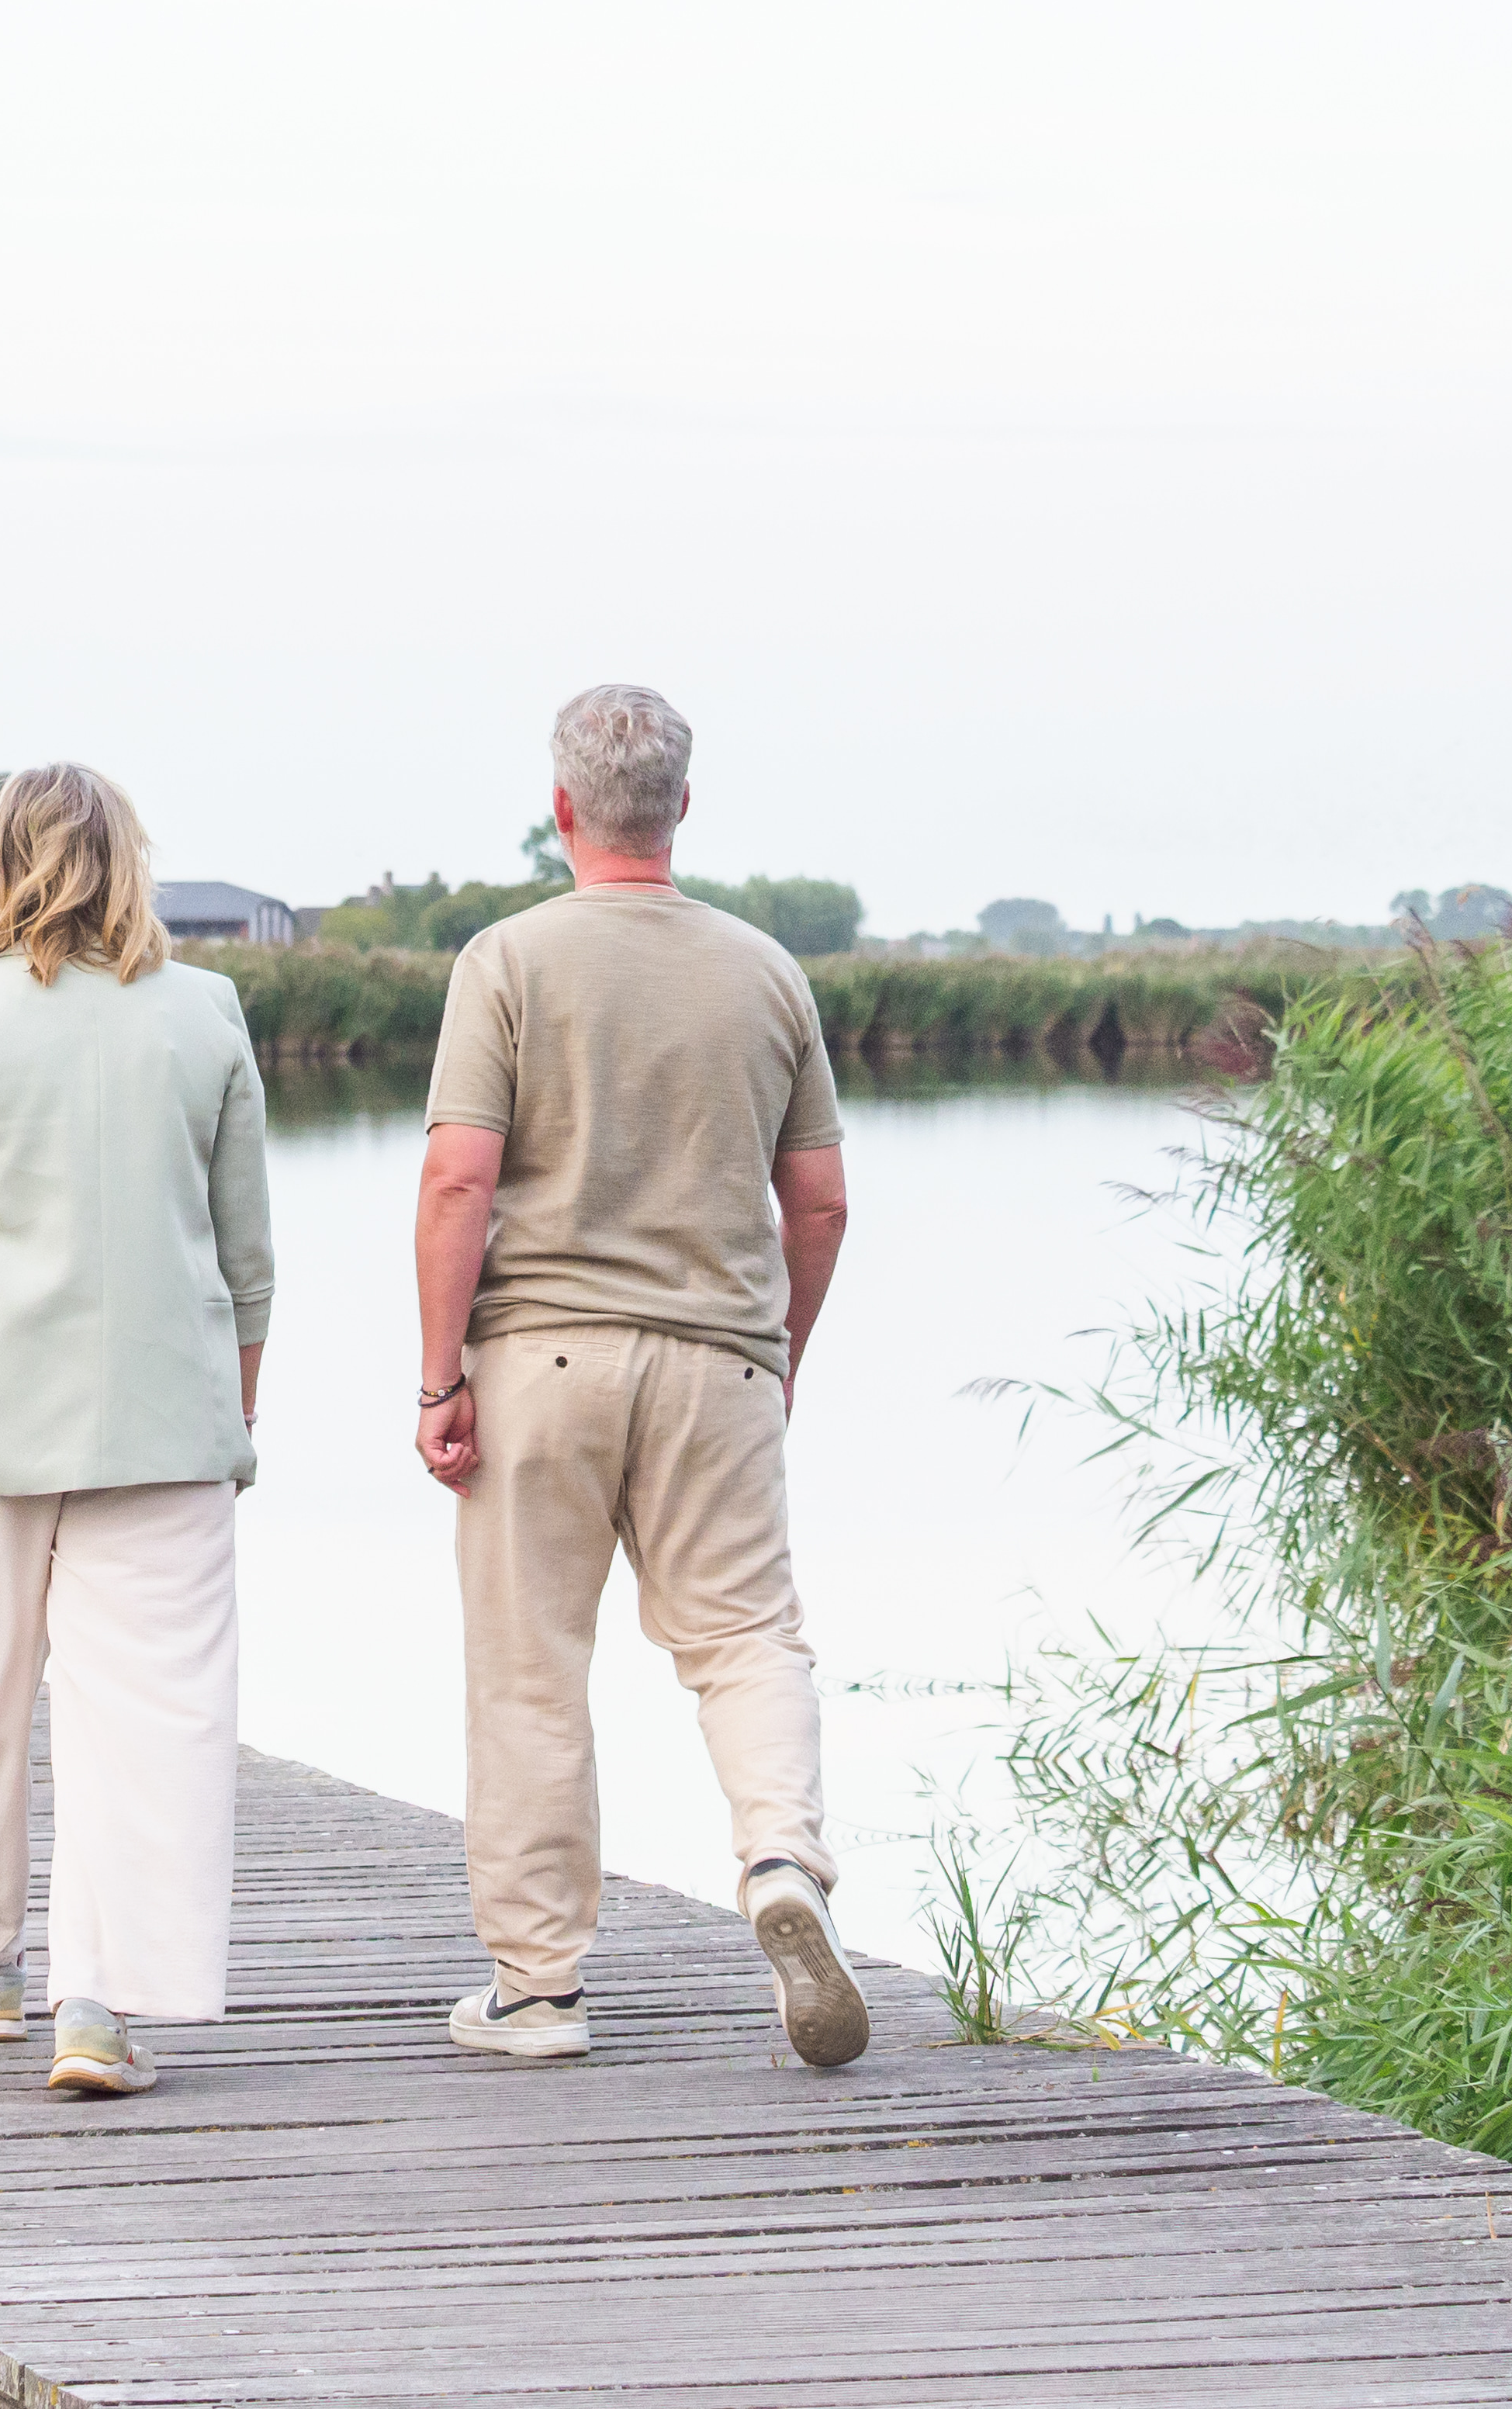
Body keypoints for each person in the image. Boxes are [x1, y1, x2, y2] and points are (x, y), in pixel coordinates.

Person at [412, 683, 863, 2068]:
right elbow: (824, 1202)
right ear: (682, 807)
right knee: (745, 1639)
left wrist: (441, 1378)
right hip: (718, 1360)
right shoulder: (766, 973)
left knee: (532, 1667)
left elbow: (457, 1182)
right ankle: (782, 1860)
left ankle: (540, 1991)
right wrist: (775, 1354)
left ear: (562, 810)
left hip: (538, 1359)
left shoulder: (507, 961)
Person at [0, 763, 273, 2099]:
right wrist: (234, 1408)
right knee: (145, 1719)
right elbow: (247, 1254)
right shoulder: (206, 1013)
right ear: (129, 867)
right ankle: (97, 2008)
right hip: (166, 1428)